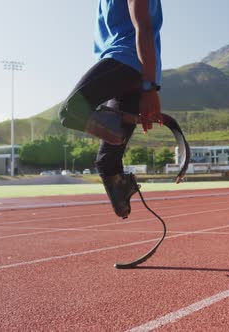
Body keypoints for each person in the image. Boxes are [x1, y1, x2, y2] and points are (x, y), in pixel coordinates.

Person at [59, 0, 163, 219]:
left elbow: (143, 26)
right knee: (107, 162)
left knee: (72, 110)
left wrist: (149, 88)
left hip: (127, 60)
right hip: (127, 71)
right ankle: (123, 124)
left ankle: (123, 120)